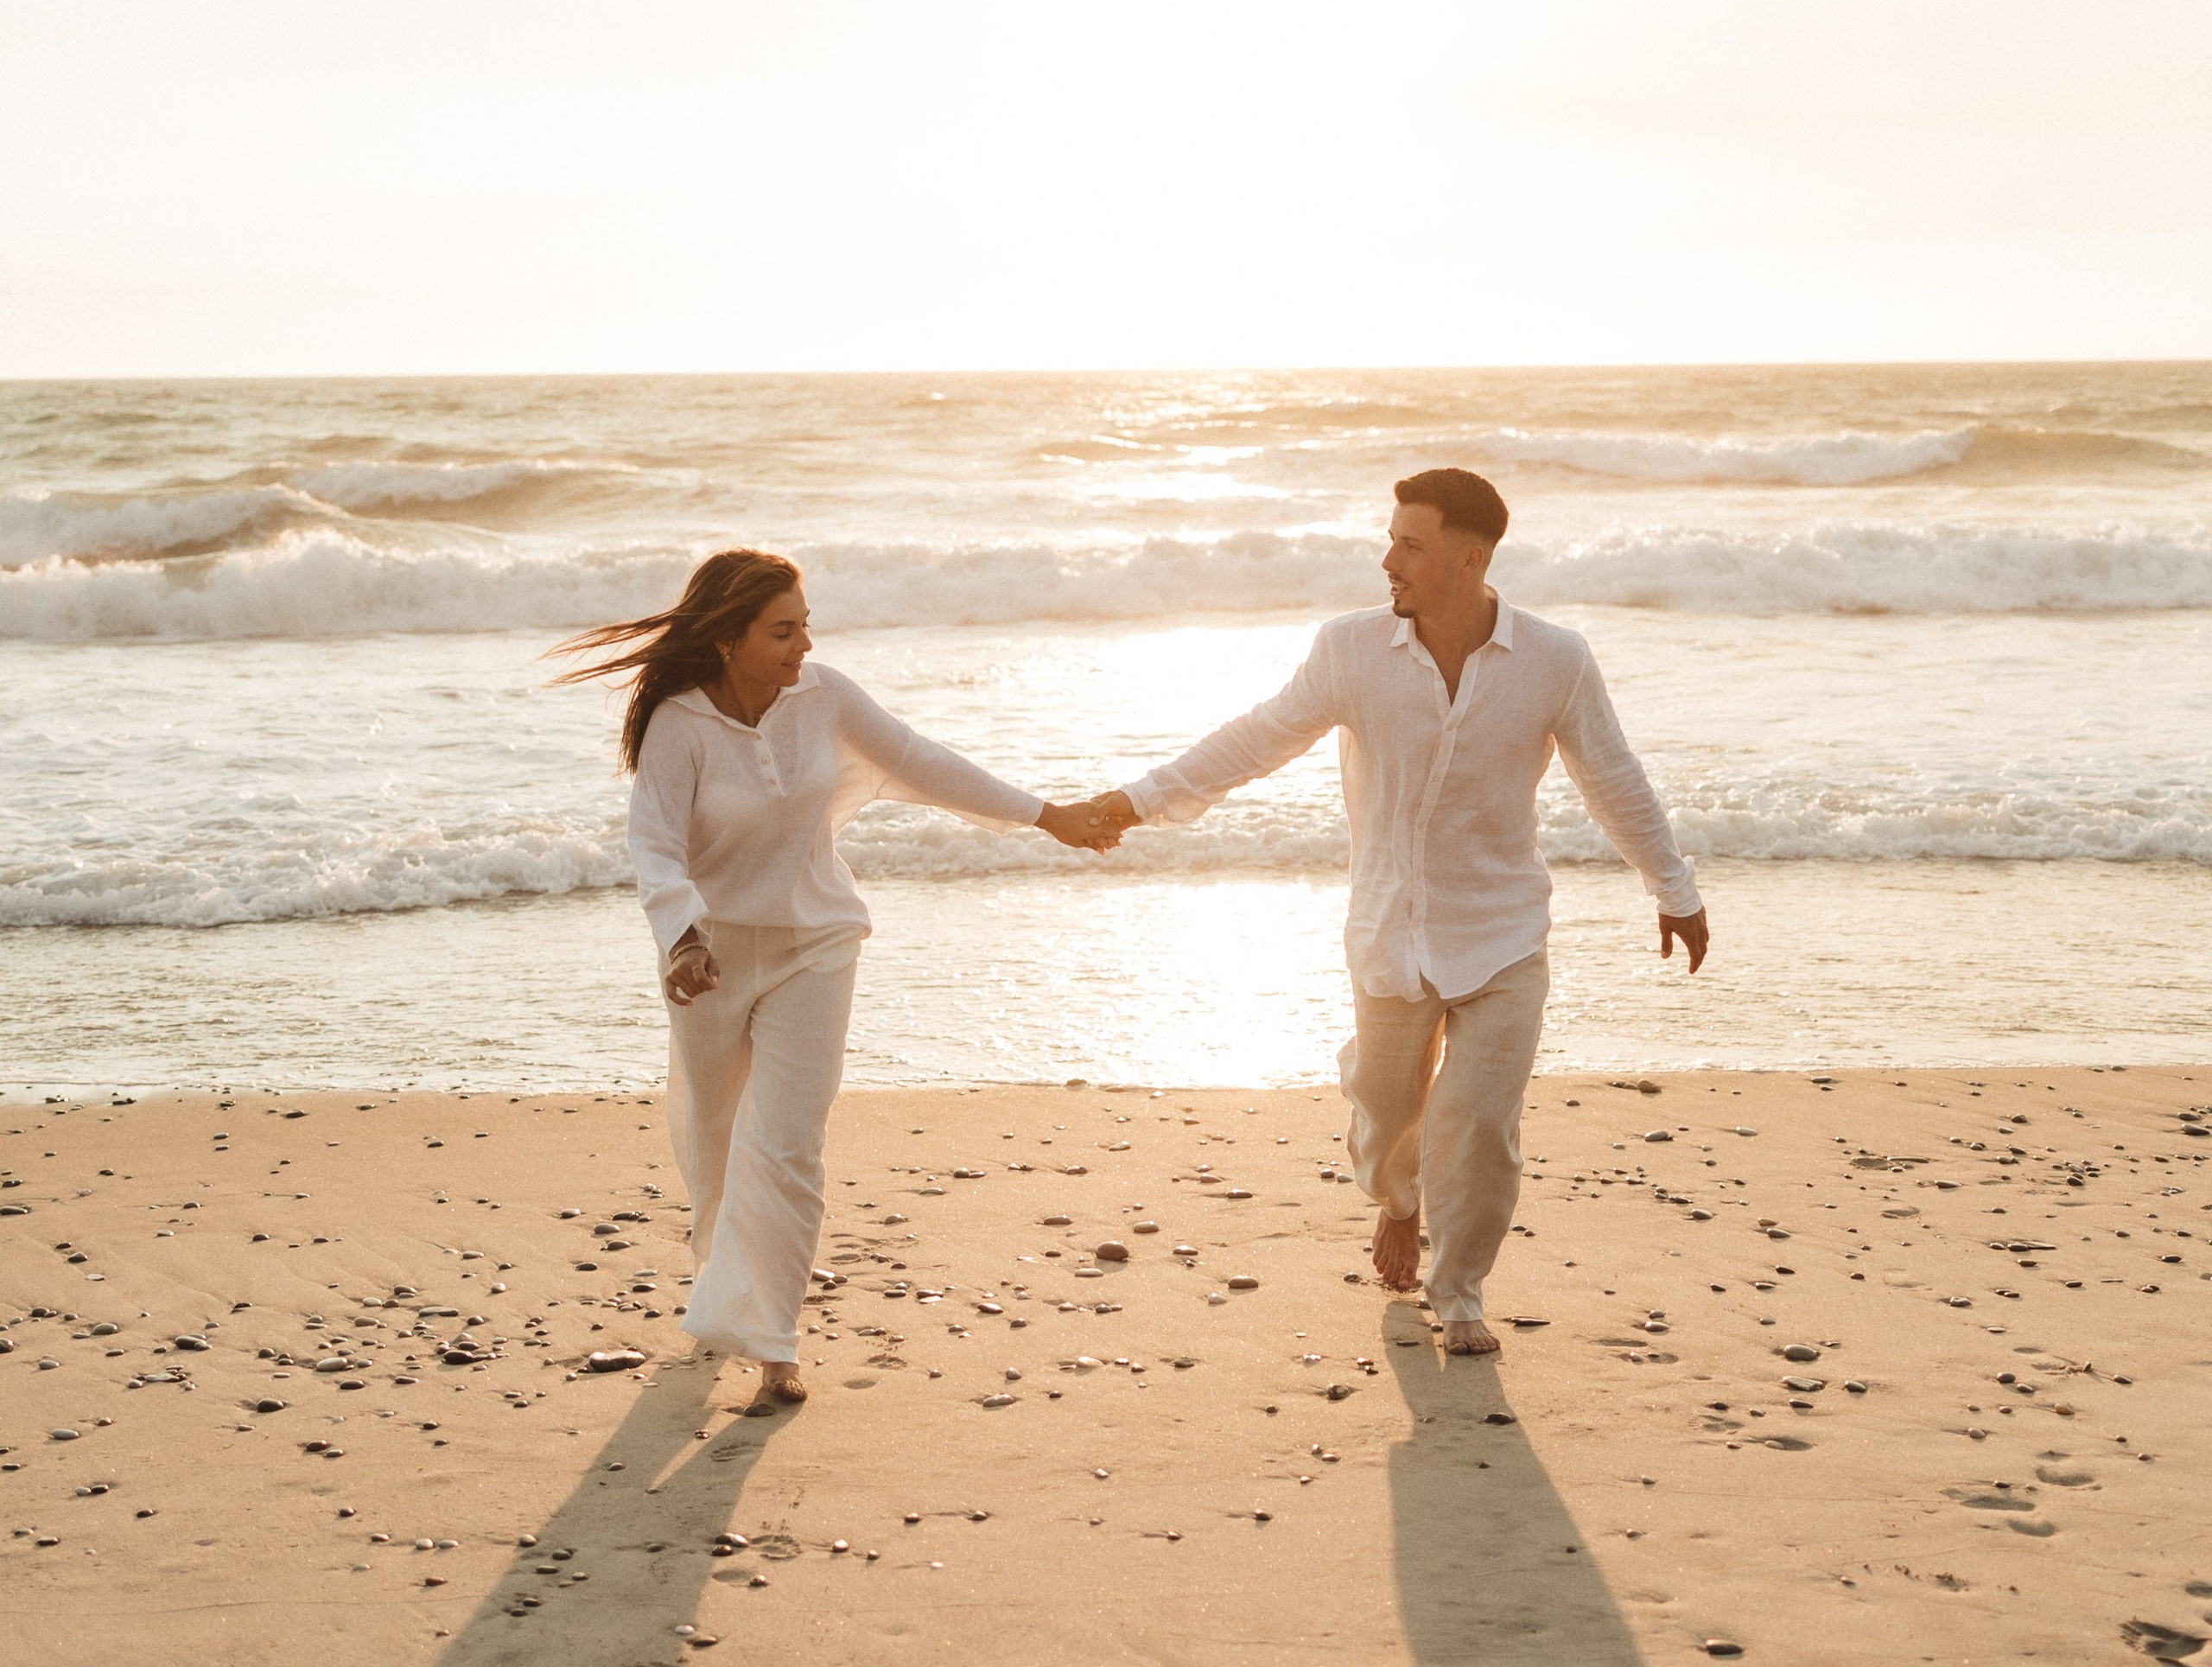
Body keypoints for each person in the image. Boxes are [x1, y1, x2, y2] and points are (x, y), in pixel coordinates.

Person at [1075, 468, 1707, 1354]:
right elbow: (1257, 738)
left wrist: (1672, 887)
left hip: (1503, 933)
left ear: (1468, 556)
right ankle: (1397, 1198)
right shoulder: (1351, 651)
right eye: (1392, 540)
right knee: (1384, 1110)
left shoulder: (1555, 660)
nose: (1389, 561)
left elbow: (1612, 776)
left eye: (1410, 544)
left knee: (1476, 1122)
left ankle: (1459, 1296)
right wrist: (1137, 801)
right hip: (1388, 935)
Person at [556, 549, 1122, 1407]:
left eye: (805, 625)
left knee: (786, 1141)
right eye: (782, 630)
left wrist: (1045, 816)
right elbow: (654, 844)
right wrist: (682, 937)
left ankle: (773, 1342)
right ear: (725, 640)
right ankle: (721, 1286)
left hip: (815, 940)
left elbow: (923, 758)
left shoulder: (826, 698)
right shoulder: (678, 724)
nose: (802, 644)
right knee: (713, 1142)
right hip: (708, 956)